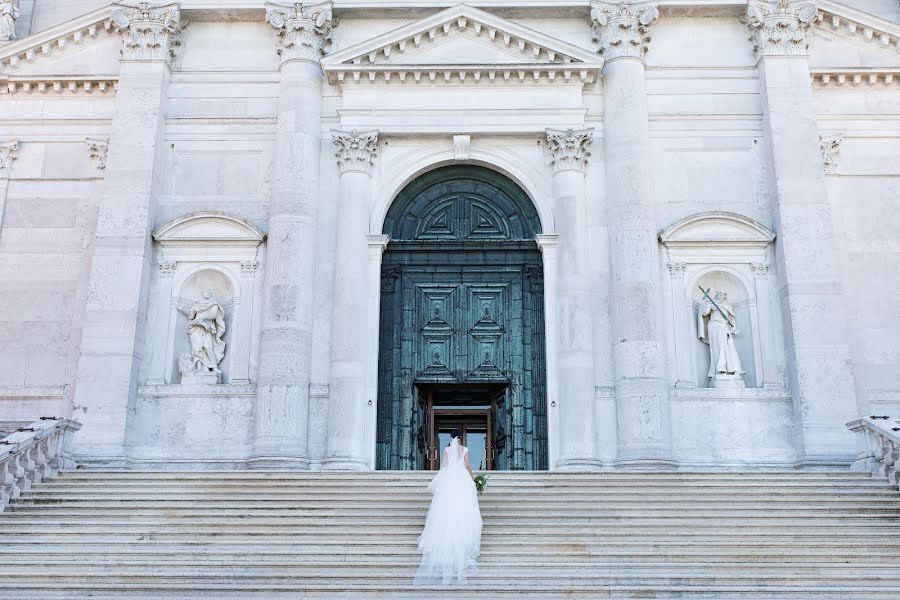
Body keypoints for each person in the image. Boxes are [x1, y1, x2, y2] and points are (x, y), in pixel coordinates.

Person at [415, 429, 483, 585]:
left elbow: (444, 467)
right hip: (462, 480)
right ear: (460, 438)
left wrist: (442, 481)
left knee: (446, 509)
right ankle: (464, 537)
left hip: (450, 480)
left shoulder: (445, 449)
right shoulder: (465, 449)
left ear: (451, 438)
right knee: (463, 508)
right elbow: (467, 466)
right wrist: (473, 480)